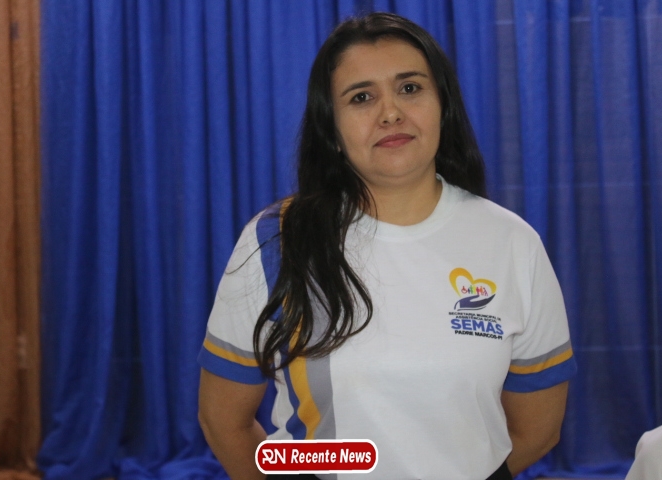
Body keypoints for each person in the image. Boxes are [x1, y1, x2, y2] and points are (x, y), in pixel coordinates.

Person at [198, 12, 576, 480]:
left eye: (410, 88)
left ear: (443, 107)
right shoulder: (279, 239)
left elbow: (538, 428)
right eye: (361, 97)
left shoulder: (513, 242)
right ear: (332, 130)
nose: (391, 112)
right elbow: (224, 421)